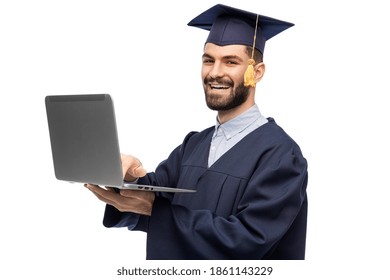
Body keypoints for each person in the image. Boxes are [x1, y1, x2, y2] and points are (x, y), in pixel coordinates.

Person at [85, 4, 308, 260]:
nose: (215, 72)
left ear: (256, 73)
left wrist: (156, 211)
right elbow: (155, 198)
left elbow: (249, 240)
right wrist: (131, 178)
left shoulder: (281, 155)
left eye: (231, 62)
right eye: (208, 60)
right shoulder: (194, 144)